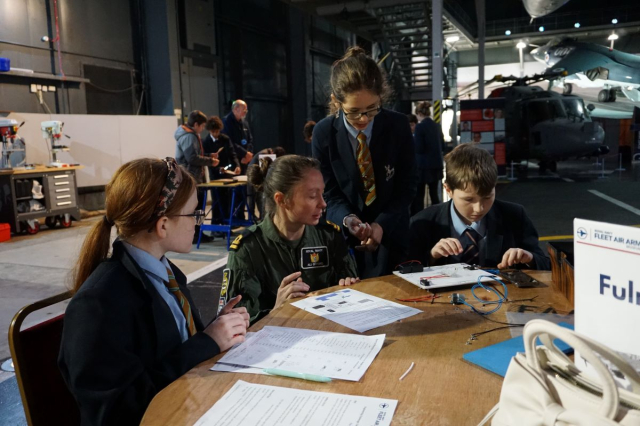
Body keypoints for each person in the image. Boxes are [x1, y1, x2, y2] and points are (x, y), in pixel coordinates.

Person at [58, 158, 250, 425]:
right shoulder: (99, 303)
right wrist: (207, 342)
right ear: (163, 225)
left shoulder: (165, 273)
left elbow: (172, 347)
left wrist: (218, 330)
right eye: (194, 213)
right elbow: (113, 411)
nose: (198, 222)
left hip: (188, 405)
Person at [312, 46, 417, 278]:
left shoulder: (397, 126)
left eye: (372, 109)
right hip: (345, 240)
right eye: (354, 111)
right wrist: (348, 220)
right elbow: (329, 193)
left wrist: (381, 225)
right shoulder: (323, 133)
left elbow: (407, 187)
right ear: (336, 102)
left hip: (392, 235)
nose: (364, 119)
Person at [227, 155, 360, 323]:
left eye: (322, 194)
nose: (323, 204)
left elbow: (351, 287)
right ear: (282, 200)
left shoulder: (329, 236)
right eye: (312, 196)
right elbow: (235, 325)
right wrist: (276, 310)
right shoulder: (247, 249)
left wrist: (349, 287)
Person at [409, 144, 550, 270]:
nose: (479, 208)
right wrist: (432, 256)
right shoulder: (423, 223)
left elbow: (546, 264)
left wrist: (529, 258)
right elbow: (404, 269)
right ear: (448, 190)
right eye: (469, 199)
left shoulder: (514, 216)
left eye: (487, 197)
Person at [175, 110, 220, 243]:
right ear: (196, 124)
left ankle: (198, 232)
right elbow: (192, 158)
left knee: (197, 207)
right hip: (190, 178)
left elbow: (194, 153)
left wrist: (208, 155)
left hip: (193, 177)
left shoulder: (189, 135)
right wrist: (210, 161)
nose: (202, 129)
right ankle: (194, 234)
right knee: (195, 207)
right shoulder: (189, 136)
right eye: (202, 126)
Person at [411, 101, 444, 216]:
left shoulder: (420, 127)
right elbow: (442, 145)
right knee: (434, 194)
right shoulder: (436, 125)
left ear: (419, 113)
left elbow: (419, 148)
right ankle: (439, 216)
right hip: (436, 165)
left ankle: (420, 218)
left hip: (423, 167)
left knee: (419, 195)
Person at [247, 146, 286, 221]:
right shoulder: (265, 154)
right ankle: (252, 218)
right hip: (253, 177)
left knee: (259, 198)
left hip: (258, 177)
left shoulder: (267, 152)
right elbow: (266, 170)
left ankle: (261, 217)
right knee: (252, 198)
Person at [202, 116, 241, 180]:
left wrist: (237, 166)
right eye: (213, 131)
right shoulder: (205, 142)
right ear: (209, 130)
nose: (215, 133)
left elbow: (232, 154)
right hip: (214, 175)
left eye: (217, 131)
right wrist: (218, 169)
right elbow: (205, 158)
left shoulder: (225, 139)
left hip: (227, 172)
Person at [223, 99, 254, 171]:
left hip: (245, 160)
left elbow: (250, 140)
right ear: (236, 109)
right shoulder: (226, 122)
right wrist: (244, 153)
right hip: (233, 161)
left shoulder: (244, 123)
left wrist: (248, 155)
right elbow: (229, 142)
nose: (245, 113)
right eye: (244, 111)